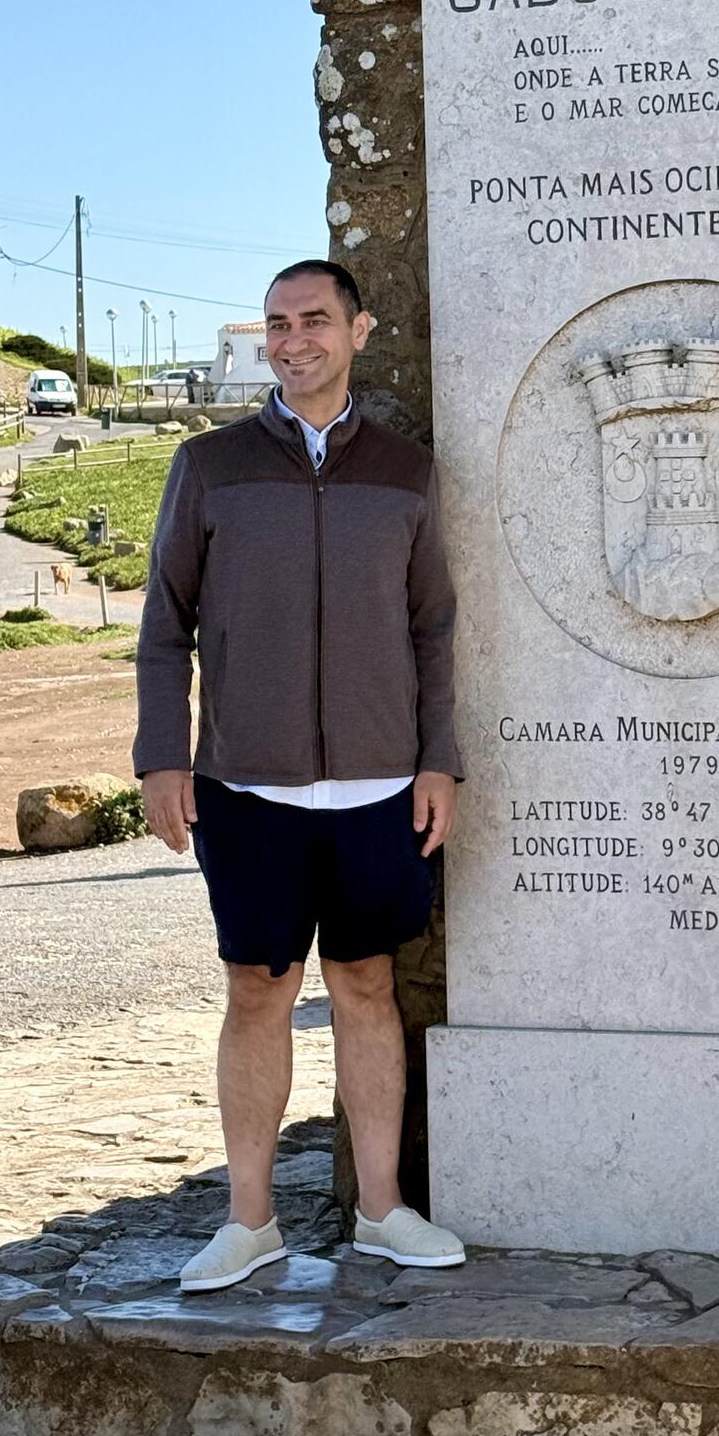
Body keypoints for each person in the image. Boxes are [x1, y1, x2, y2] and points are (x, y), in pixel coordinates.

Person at [135, 258, 466, 1293]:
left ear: (358, 331)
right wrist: (161, 755)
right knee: (257, 990)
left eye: (313, 320)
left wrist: (439, 759)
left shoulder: (408, 473)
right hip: (247, 789)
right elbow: (164, 623)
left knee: (367, 985)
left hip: (379, 787)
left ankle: (381, 1210)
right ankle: (249, 1221)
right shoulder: (210, 465)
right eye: (277, 324)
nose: (292, 340)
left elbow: (434, 627)